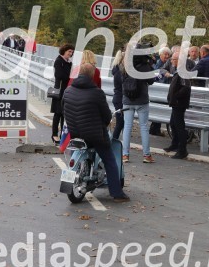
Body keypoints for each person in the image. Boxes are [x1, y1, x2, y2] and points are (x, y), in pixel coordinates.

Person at [63, 62, 130, 202]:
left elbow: (64, 109)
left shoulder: (68, 90)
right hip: (94, 135)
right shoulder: (97, 93)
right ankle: (117, 193)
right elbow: (106, 116)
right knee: (109, 159)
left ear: (78, 73)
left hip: (75, 133)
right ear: (92, 75)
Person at [120, 42, 156, 163]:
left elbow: (120, 79)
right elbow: (151, 80)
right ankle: (146, 155)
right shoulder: (145, 66)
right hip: (142, 100)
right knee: (144, 127)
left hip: (127, 99)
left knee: (127, 127)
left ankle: (125, 155)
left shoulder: (125, 64)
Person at [164, 52, 191, 159]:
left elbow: (186, 88)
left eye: (173, 59)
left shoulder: (182, 71)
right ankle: (175, 145)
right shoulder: (179, 71)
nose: (171, 61)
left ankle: (182, 150)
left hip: (179, 103)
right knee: (173, 124)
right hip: (176, 103)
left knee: (179, 126)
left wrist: (175, 96)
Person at [51, 44, 74, 143]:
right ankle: (54, 134)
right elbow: (59, 75)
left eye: (72, 52)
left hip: (66, 90)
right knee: (57, 113)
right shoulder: (59, 61)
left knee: (64, 114)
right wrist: (69, 76)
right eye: (69, 51)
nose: (70, 53)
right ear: (64, 51)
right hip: (59, 90)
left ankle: (62, 135)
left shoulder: (69, 62)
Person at [111, 49, 125, 141]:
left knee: (122, 123)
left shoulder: (116, 70)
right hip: (120, 99)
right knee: (120, 123)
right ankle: (113, 141)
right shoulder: (119, 72)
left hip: (118, 98)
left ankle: (115, 141)